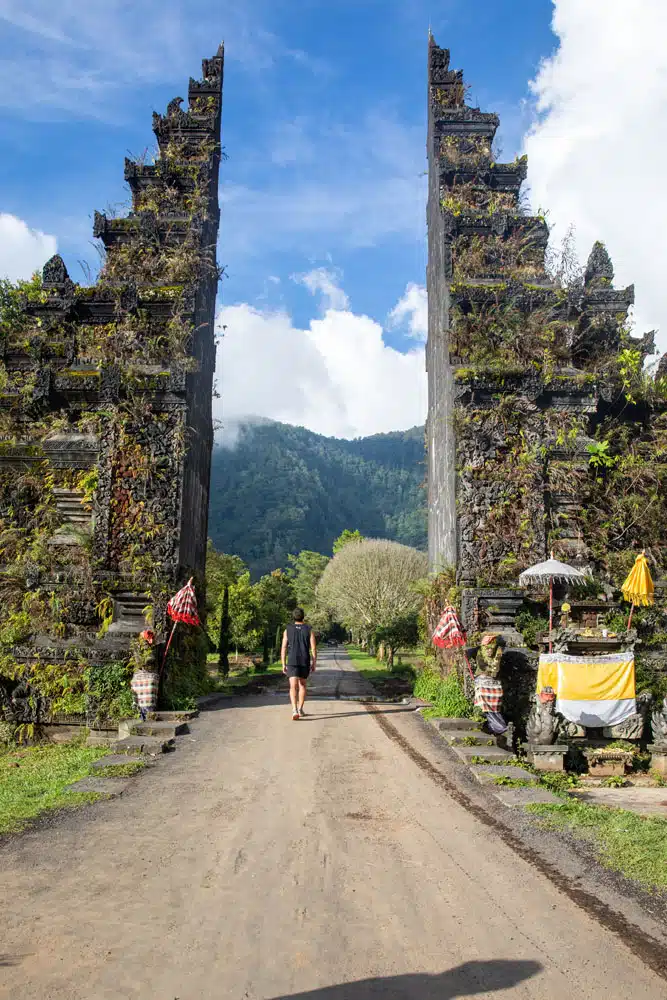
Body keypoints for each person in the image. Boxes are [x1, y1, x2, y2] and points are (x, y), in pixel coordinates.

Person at [281, 608, 317, 720]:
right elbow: (314, 648)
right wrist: (314, 662)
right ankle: (300, 709)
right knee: (302, 685)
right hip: (304, 661)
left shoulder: (287, 630)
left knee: (292, 686)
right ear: (303, 616)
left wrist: (283, 663)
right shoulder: (309, 629)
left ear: (293, 617)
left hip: (292, 661)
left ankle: (294, 710)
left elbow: (283, 647)